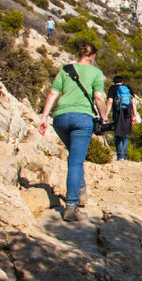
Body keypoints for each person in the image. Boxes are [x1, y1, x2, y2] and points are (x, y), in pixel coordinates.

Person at [37, 43, 106, 221]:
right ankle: (71, 206)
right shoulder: (96, 73)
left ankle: (81, 192)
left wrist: (44, 117)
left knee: (75, 156)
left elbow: (53, 93)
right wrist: (104, 117)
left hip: (60, 118)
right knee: (75, 161)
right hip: (82, 120)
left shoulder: (65, 69)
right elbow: (98, 97)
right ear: (93, 57)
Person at [105, 75, 140, 161]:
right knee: (125, 135)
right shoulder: (128, 88)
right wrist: (134, 115)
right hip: (127, 113)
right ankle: (124, 156)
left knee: (118, 134)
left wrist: (105, 115)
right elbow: (133, 102)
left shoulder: (113, 88)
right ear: (122, 81)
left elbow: (109, 102)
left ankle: (120, 156)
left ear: (114, 82)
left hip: (117, 114)